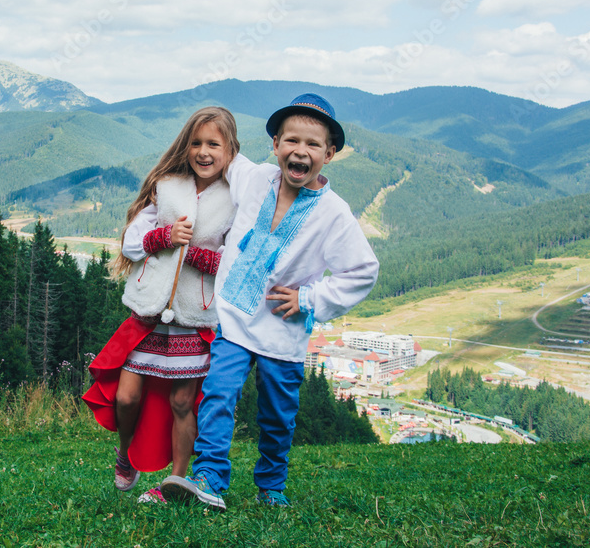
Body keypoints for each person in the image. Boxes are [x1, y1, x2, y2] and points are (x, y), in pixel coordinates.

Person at [160, 93, 379, 511]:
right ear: (275, 144)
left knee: (278, 415)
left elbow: (363, 270)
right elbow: (219, 149)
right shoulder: (255, 178)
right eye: (291, 141)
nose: (301, 151)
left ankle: (271, 486)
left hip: (283, 331)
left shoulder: (334, 213)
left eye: (313, 145)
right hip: (235, 320)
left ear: (330, 154)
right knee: (219, 394)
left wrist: (311, 297)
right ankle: (209, 476)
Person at [82, 106, 239, 504]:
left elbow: (240, 259)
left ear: (230, 149)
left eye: (213, 144)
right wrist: (164, 236)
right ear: (185, 146)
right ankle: (126, 455)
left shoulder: (237, 198)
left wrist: (205, 259)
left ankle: (177, 480)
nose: (204, 152)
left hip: (194, 315)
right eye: (196, 143)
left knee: (183, 401)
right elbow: (132, 241)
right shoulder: (167, 186)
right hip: (151, 312)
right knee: (127, 397)